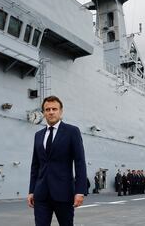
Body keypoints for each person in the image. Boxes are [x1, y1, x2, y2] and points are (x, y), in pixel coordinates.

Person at [28, 95, 87, 226]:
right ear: (43, 113)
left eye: (54, 109)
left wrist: (80, 191)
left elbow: (79, 162)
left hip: (64, 192)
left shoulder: (72, 131)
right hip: (41, 193)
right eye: (47, 109)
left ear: (61, 111)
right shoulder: (38, 136)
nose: (51, 112)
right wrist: (32, 191)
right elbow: (35, 166)